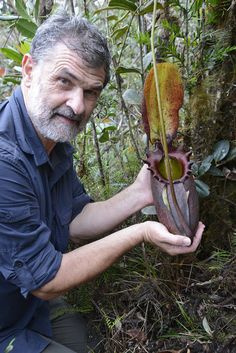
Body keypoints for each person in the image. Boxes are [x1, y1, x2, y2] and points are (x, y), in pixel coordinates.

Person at [0, 11, 204, 353]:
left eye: (91, 92)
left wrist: (141, 194)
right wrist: (141, 232)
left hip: (25, 306)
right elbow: (48, 280)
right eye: (64, 82)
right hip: (10, 317)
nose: (78, 106)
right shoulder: (5, 161)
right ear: (30, 70)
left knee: (91, 344)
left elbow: (75, 221)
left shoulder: (51, 137)